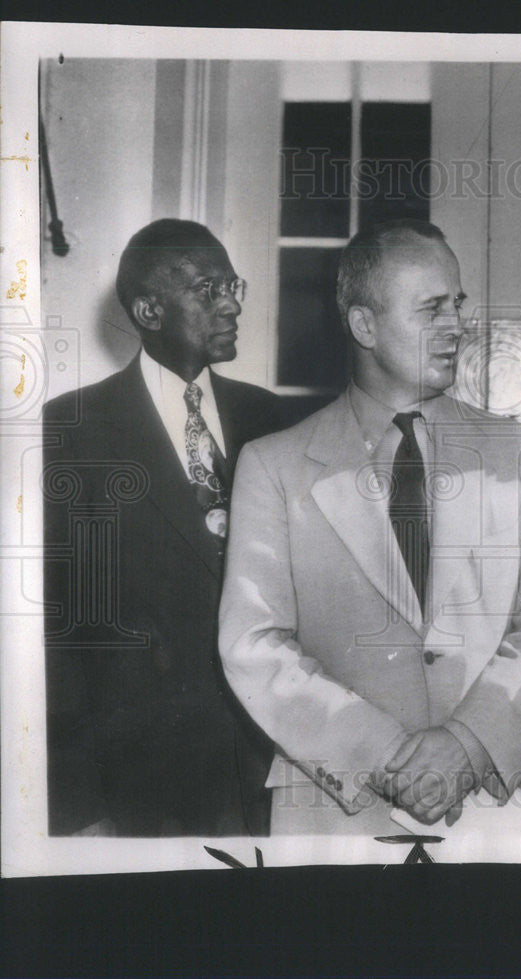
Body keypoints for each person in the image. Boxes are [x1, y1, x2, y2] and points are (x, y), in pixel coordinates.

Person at [218, 219, 521, 835]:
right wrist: (382, 756)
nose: (457, 326)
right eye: (432, 308)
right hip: (333, 814)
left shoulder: (515, 452)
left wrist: (467, 744)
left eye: (457, 304)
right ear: (364, 325)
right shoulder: (272, 465)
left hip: (489, 808)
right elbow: (254, 645)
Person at [43, 219, 287, 836]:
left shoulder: (271, 417)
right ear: (149, 310)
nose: (231, 302)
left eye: (232, 284)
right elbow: (54, 628)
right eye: (208, 289)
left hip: (267, 772)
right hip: (138, 786)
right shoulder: (70, 431)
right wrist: (77, 805)